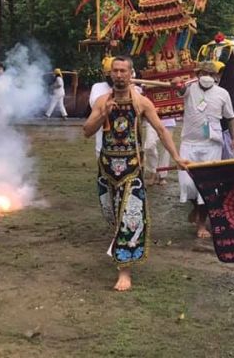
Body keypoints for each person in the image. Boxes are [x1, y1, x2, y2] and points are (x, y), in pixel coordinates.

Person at [83, 56, 186, 292]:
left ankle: (125, 271)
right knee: (113, 217)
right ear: (110, 74)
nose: (119, 75)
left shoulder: (141, 102)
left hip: (131, 169)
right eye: (115, 71)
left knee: (130, 218)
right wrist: (102, 115)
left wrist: (177, 157)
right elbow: (86, 131)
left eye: (123, 71)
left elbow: (161, 130)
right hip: (106, 169)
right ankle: (119, 247)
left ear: (131, 74)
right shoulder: (101, 101)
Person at [174, 61, 234, 239]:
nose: (208, 76)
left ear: (217, 76)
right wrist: (177, 82)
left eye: (212, 74)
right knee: (187, 184)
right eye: (204, 73)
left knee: (207, 186)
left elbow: (231, 117)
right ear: (198, 74)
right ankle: (195, 207)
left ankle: (202, 224)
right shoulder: (189, 88)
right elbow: (179, 90)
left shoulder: (222, 94)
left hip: (212, 145)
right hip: (189, 143)